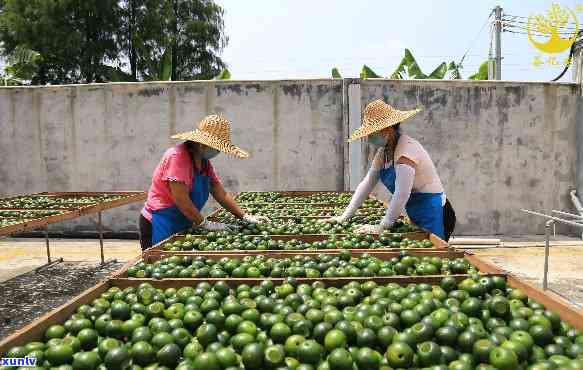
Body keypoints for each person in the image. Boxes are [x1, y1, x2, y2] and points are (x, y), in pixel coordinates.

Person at [325, 99, 456, 241]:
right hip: (415, 210)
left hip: (435, 211)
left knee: (435, 253)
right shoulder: (384, 153)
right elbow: (367, 184)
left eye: (372, 133)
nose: (369, 137)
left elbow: (402, 192)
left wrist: (383, 226)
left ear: (387, 130)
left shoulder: (406, 149)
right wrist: (345, 216)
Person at [139, 114, 269, 250]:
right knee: (158, 263)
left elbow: (220, 193)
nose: (217, 151)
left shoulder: (204, 162)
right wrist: (205, 224)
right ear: (202, 145)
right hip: (160, 222)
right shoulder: (177, 157)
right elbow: (180, 199)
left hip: (185, 220)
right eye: (216, 147)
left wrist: (244, 216)